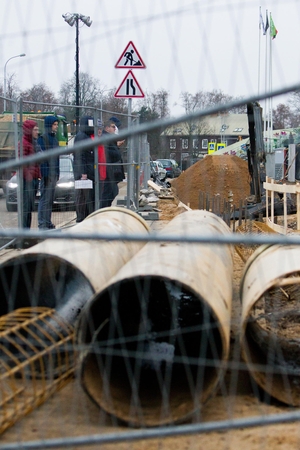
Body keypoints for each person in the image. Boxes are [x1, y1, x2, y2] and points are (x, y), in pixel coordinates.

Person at [37, 116, 59, 229]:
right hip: (47, 175)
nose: (56, 127)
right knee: (45, 199)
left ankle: (47, 221)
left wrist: (57, 172)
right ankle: (42, 223)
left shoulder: (54, 139)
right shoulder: (43, 139)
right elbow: (43, 159)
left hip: (53, 173)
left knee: (50, 199)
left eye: (57, 125)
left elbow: (56, 157)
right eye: (54, 124)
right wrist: (45, 174)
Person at [19, 120, 41, 228]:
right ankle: (24, 232)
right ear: (29, 130)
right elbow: (21, 163)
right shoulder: (24, 144)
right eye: (35, 130)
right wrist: (29, 177)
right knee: (26, 207)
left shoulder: (33, 143)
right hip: (28, 180)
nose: (37, 132)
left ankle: (26, 231)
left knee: (29, 208)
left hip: (34, 178)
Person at [73, 116, 95, 222]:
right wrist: (83, 172)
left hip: (85, 171)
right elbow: (80, 156)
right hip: (83, 173)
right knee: (82, 197)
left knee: (86, 197)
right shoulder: (82, 137)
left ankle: (83, 217)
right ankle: (81, 218)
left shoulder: (85, 136)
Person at [101, 119, 125, 208]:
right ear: (107, 128)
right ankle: (103, 210)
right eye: (113, 127)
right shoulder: (105, 138)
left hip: (112, 171)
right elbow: (106, 152)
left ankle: (106, 208)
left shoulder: (110, 138)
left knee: (113, 191)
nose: (115, 129)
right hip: (108, 171)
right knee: (108, 193)